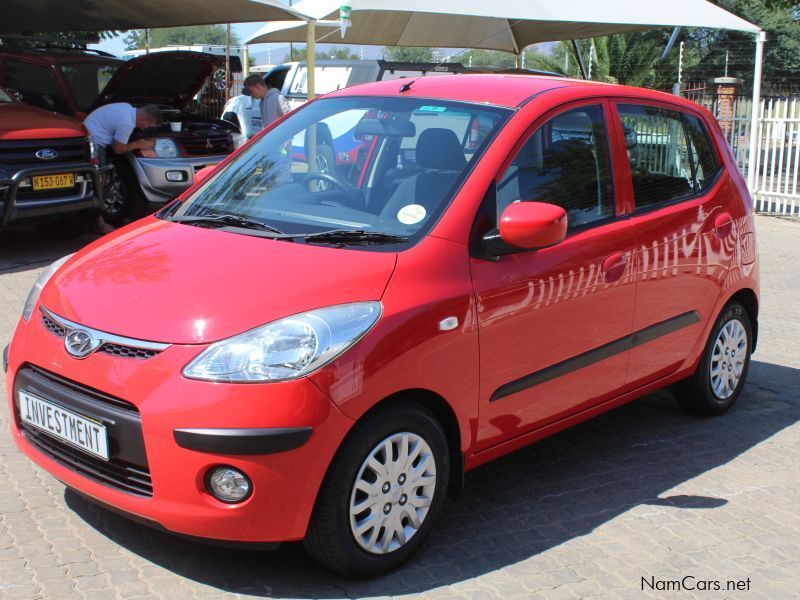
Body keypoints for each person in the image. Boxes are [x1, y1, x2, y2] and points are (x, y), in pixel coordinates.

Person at [83, 103, 161, 232]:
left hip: (88, 133)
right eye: (147, 125)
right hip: (93, 142)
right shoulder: (127, 123)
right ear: (144, 120)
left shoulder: (126, 107)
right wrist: (138, 144)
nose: (144, 128)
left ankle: (109, 219)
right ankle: (98, 223)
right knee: (99, 183)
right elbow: (118, 149)